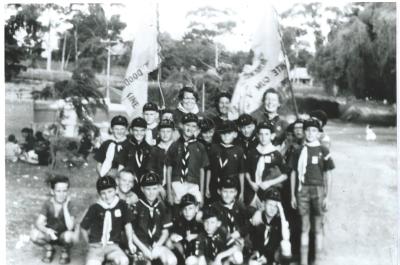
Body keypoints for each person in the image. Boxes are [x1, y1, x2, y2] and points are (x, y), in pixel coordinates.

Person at [291, 119, 335, 265]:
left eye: (314, 131)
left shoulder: (323, 150)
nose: (310, 133)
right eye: (308, 130)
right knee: (304, 227)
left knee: (317, 227)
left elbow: (328, 174)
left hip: (318, 190)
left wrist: (328, 196)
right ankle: (304, 261)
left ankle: (318, 260)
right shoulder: (298, 151)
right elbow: (293, 173)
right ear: (304, 132)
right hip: (302, 189)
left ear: (319, 133)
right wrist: (292, 195)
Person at [80, 176, 135, 265]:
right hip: (96, 246)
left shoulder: (122, 205)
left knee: (124, 261)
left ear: (116, 190)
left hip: (113, 246)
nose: (107, 196)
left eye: (110, 192)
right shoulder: (95, 208)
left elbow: (127, 224)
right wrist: (88, 244)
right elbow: (83, 227)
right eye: (103, 193)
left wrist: (130, 242)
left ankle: (110, 261)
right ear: (99, 194)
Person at [130, 172, 177, 265]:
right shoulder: (135, 207)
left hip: (157, 244)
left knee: (172, 260)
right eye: (148, 189)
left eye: (154, 189)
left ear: (159, 188)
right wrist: (144, 249)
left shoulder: (163, 207)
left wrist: (157, 246)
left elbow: (165, 232)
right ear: (142, 189)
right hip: (140, 245)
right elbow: (131, 232)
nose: (151, 192)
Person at [30, 175, 79, 264]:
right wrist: (47, 230)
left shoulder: (71, 205)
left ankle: (65, 250)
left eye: (64, 191)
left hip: (64, 235)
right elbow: (39, 222)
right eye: (58, 191)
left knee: (71, 236)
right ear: (52, 191)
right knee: (34, 234)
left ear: (68, 191)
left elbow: (70, 227)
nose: (62, 194)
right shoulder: (48, 203)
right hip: (51, 234)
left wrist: (65, 207)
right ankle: (49, 248)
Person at [166, 113, 209, 206]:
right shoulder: (174, 145)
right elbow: (169, 169)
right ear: (181, 126)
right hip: (177, 183)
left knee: (195, 210)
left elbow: (202, 170)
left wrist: (201, 192)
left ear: (197, 129)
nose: (190, 128)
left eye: (193, 126)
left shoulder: (200, 146)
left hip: (193, 184)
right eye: (187, 125)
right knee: (178, 210)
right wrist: (169, 192)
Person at [244, 122, 288, 207]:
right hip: (252, 191)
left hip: (268, 191)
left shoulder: (276, 154)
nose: (263, 137)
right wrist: (251, 182)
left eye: (267, 134)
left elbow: (285, 175)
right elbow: (246, 171)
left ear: (272, 136)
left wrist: (269, 183)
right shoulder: (252, 152)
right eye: (261, 134)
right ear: (257, 135)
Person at [211, 176, 250, 264]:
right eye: (225, 191)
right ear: (219, 191)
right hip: (223, 244)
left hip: (240, 243)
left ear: (236, 193)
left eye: (231, 192)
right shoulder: (214, 207)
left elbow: (249, 223)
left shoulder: (240, 206)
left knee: (238, 257)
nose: (228, 195)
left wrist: (240, 232)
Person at [248, 188, 291, 265]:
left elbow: (286, 237)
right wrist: (257, 254)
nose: (272, 208)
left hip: (274, 257)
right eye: (270, 204)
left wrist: (281, 210)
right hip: (259, 255)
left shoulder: (279, 221)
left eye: (275, 206)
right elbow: (253, 241)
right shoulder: (258, 218)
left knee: (286, 244)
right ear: (264, 204)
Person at [207, 120, 245, 202]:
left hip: (231, 187)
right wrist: (207, 188)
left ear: (235, 134)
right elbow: (209, 170)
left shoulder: (239, 150)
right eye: (223, 134)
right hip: (215, 186)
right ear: (219, 135)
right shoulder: (214, 148)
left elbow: (241, 173)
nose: (226, 136)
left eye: (229, 133)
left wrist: (242, 191)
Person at [167, 194, 205, 265]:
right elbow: (171, 236)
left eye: (190, 208)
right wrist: (172, 236)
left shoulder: (201, 223)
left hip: (198, 257)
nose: (187, 212)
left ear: (196, 208)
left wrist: (197, 236)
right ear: (181, 210)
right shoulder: (178, 222)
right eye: (185, 209)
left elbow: (209, 235)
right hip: (182, 258)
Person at [147, 119, 176, 200]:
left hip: (175, 186)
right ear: (158, 133)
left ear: (173, 132)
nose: (165, 134)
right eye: (162, 131)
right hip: (159, 186)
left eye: (168, 131)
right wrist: (158, 185)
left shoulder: (177, 148)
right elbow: (151, 170)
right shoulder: (154, 149)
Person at [119, 117, 152, 183]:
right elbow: (121, 167)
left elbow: (151, 169)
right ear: (131, 131)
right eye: (136, 130)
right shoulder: (124, 146)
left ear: (145, 131)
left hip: (145, 182)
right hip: (129, 182)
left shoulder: (149, 148)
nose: (139, 133)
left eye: (142, 130)